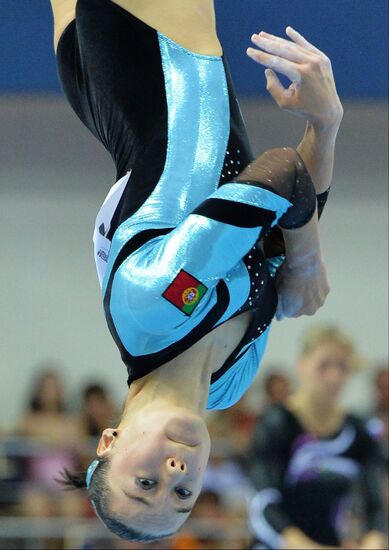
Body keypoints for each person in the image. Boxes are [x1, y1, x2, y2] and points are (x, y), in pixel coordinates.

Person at [50, 0, 343, 541]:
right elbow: (280, 229)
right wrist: (324, 126)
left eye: (144, 481)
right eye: (183, 495)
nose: (175, 474)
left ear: (109, 441)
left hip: (143, 47)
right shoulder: (230, 383)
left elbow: (280, 176)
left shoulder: (157, 308)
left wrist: (308, 260)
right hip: (112, 97)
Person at [247, 326, 388, 550]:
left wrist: (373, 541)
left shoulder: (359, 432)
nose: (334, 377)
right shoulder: (277, 423)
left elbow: (376, 507)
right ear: (301, 365)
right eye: (324, 366)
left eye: (342, 367)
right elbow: (263, 504)